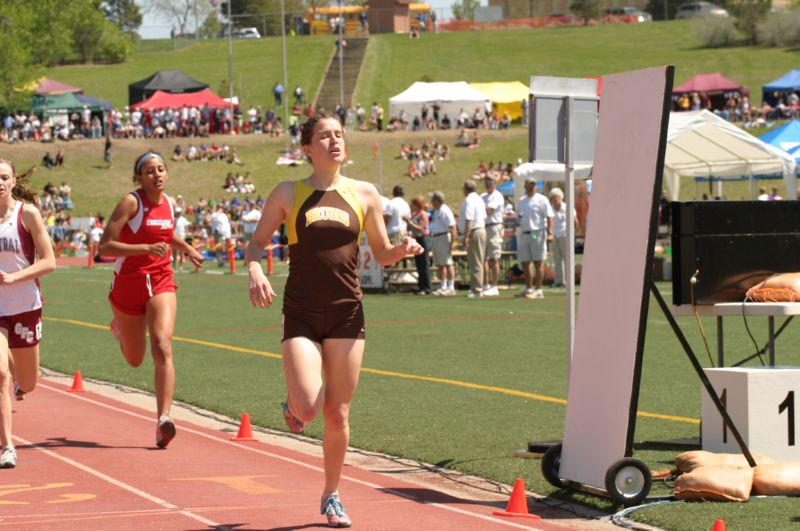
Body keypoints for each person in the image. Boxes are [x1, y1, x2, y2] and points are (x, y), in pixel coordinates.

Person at [245, 114, 422, 528]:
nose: (334, 140)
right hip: (302, 312)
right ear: (307, 148)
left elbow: (380, 253)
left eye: (339, 134)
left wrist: (403, 249)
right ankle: (292, 404)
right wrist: (255, 269)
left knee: (337, 414)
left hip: (347, 313)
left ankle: (331, 494)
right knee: (309, 408)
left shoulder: (364, 193)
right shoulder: (289, 192)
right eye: (325, 135)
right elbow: (256, 243)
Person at [99, 151, 204, 449]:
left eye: (161, 169)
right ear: (138, 178)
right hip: (128, 284)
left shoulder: (170, 203)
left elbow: (166, 236)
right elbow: (105, 245)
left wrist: (187, 248)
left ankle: (163, 419)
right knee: (135, 360)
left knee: (162, 343)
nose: (157, 175)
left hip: (160, 280)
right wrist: (144, 247)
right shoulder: (131, 202)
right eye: (149, 171)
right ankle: (120, 328)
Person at [0, 159, 56, 468]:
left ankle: (18, 372)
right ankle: (7, 446)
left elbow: (49, 262)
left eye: (4, 177)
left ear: (12, 181)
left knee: (28, 382)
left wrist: (14, 278)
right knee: (0, 375)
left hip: (25, 306)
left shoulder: (27, 214)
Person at [515, 179, 553, 299]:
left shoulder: (542, 199)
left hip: (537, 232)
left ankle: (539, 289)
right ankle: (528, 287)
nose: (532, 187)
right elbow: (519, 216)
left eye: (533, 185)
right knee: (525, 262)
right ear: (525, 186)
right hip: (524, 233)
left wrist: (550, 232)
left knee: (538, 262)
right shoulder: (521, 201)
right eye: (530, 185)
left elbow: (549, 216)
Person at [459, 181, 487, 298]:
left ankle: (477, 289)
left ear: (465, 189)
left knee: (475, 261)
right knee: (477, 261)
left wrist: (466, 236)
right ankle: (476, 287)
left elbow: (469, 219)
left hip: (475, 231)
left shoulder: (469, 200)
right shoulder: (479, 199)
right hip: (480, 229)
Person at [429, 191, 457, 296]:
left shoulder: (445, 211)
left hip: (443, 237)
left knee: (447, 262)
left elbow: (453, 227)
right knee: (440, 263)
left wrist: (452, 244)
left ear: (437, 201)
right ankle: (443, 285)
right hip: (437, 238)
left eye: (433, 200)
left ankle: (450, 286)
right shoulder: (437, 211)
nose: (431, 202)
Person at [481, 176, 504, 296]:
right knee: (483, 257)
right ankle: (485, 284)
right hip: (483, 226)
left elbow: (489, 210)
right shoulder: (482, 196)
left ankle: (495, 286)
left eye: (490, 182)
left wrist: (480, 210)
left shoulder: (497, 195)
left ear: (495, 183)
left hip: (494, 226)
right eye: (486, 182)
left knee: (494, 257)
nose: (488, 184)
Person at [548, 187, 576, 288]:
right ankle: (559, 280)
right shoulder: (549, 208)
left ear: (561, 197)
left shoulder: (568, 207)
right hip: (554, 236)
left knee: (567, 258)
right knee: (557, 259)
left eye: (556, 197)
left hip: (565, 235)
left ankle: (569, 281)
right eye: (553, 198)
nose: (555, 199)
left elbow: (574, 221)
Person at [405, 195, 432, 295]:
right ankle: (421, 287)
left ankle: (427, 288)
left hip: (423, 239)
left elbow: (421, 228)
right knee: (419, 264)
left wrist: (409, 222)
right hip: (417, 239)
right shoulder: (414, 214)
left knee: (424, 263)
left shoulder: (422, 214)